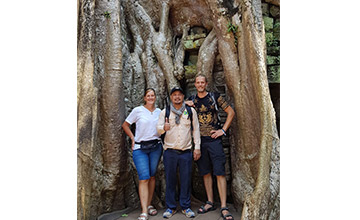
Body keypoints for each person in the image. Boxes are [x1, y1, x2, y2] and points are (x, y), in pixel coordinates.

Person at [185, 74, 235, 220]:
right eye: (198, 82)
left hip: (214, 141)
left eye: (202, 82)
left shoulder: (215, 97)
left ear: (206, 83)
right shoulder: (192, 100)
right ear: (195, 84)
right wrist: (185, 104)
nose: (200, 84)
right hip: (200, 142)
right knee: (205, 172)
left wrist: (223, 130)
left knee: (220, 172)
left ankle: (224, 206)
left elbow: (230, 112)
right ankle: (210, 202)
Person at [156, 87, 201, 219]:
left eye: (179, 95)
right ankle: (171, 207)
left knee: (186, 179)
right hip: (170, 151)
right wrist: (163, 128)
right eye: (174, 95)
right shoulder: (165, 112)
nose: (177, 97)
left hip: (186, 151)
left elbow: (196, 130)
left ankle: (186, 206)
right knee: (170, 179)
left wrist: (197, 147)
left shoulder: (190, 111)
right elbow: (158, 130)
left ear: (183, 97)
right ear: (171, 97)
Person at [122, 88, 163, 220]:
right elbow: (125, 125)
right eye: (148, 96)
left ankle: (149, 204)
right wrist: (133, 138)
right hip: (140, 148)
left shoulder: (159, 112)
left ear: (155, 97)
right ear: (145, 98)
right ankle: (144, 210)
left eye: (153, 95)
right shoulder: (138, 110)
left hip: (155, 147)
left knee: (151, 177)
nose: (151, 98)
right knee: (144, 177)